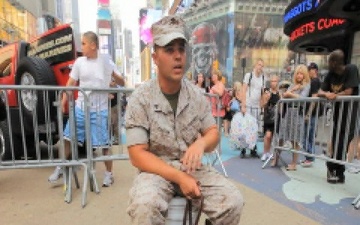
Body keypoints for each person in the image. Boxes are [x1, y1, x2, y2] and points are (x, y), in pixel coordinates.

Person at [125, 15, 243, 224]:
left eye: (181, 49)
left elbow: (213, 133)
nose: (178, 56)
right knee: (145, 206)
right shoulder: (140, 98)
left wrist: (201, 143)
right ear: (155, 57)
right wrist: (180, 177)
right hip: (156, 171)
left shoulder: (196, 95)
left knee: (233, 202)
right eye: (169, 50)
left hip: (192, 168)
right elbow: (137, 154)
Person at [48, 31, 125, 187]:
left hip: (100, 110)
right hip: (80, 108)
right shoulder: (80, 62)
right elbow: (71, 83)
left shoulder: (106, 61)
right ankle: (61, 166)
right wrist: (64, 99)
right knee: (67, 137)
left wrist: (113, 75)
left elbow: (122, 82)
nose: (81, 46)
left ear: (93, 45)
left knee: (104, 145)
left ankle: (109, 174)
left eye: (83, 43)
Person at [318, 49, 359, 184]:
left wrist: (335, 95)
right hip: (338, 114)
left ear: (334, 62)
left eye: (329, 60)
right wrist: (327, 94)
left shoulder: (351, 69)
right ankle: (338, 172)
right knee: (336, 142)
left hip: (350, 114)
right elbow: (320, 91)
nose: (328, 63)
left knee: (343, 142)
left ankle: (334, 168)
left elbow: (349, 91)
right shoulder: (330, 74)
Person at [273, 64, 310, 170]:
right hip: (288, 113)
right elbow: (284, 95)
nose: (299, 76)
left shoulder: (306, 85)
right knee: (282, 136)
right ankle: (275, 158)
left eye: (301, 74)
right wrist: (287, 94)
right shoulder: (293, 84)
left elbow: (303, 98)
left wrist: (290, 94)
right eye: (297, 73)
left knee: (295, 140)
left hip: (297, 113)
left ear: (305, 75)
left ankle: (294, 163)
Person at [241, 58, 267, 156]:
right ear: (255, 65)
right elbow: (243, 90)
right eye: (259, 64)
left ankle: (253, 148)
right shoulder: (249, 75)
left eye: (262, 65)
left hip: (257, 106)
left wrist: (263, 106)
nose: (260, 67)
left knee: (254, 128)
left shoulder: (263, 77)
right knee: (246, 127)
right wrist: (243, 105)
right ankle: (243, 148)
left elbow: (262, 93)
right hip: (248, 105)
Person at [300, 62, 322, 167]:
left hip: (312, 114)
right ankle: (309, 157)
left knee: (307, 136)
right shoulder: (313, 81)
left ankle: (309, 157)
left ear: (315, 70)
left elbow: (314, 99)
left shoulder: (315, 81)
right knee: (309, 136)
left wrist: (308, 114)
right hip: (312, 113)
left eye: (310, 70)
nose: (308, 71)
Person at [260, 74, 280, 162]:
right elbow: (262, 105)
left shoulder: (280, 93)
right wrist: (266, 99)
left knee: (273, 137)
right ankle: (265, 152)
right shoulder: (267, 92)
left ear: (277, 82)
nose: (273, 83)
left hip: (277, 118)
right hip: (268, 117)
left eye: (275, 81)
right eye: (271, 81)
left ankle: (270, 153)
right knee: (267, 136)